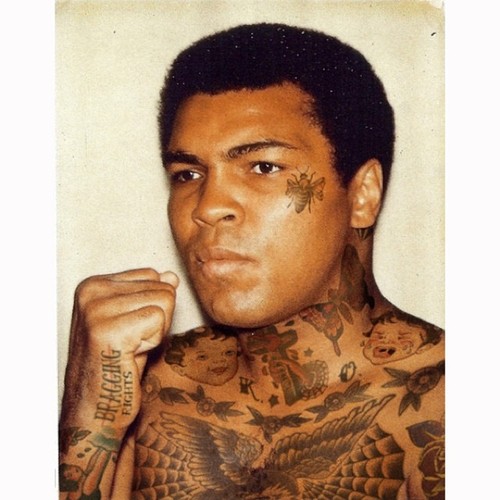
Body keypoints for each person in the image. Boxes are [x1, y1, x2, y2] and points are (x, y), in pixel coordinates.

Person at [59, 23, 444, 499]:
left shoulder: (446, 404)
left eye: (263, 167)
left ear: (362, 194)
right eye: (188, 173)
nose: (207, 206)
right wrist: (87, 414)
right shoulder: (142, 389)